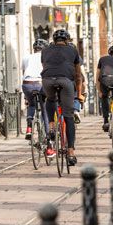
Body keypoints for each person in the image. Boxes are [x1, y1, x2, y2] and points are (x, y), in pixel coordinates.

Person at [41, 29, 83, 166]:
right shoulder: (73, 50)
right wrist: (79, 92)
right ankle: (70, 153)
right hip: (66, 81)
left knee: (50, 99)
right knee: (68, 116)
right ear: (67, 40)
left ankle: (52, 128)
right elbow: (78, 74)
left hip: (47, 80)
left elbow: (46, 67)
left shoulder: (45, 50)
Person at [21, 39, 49, 142]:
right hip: (40, 84)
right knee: (45, 109)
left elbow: (24, 72)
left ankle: (29, 128)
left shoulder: (26, 57)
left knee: (31, 104)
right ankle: (48, 137)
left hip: (27, 84)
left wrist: (26, 95)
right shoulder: (46, 57)